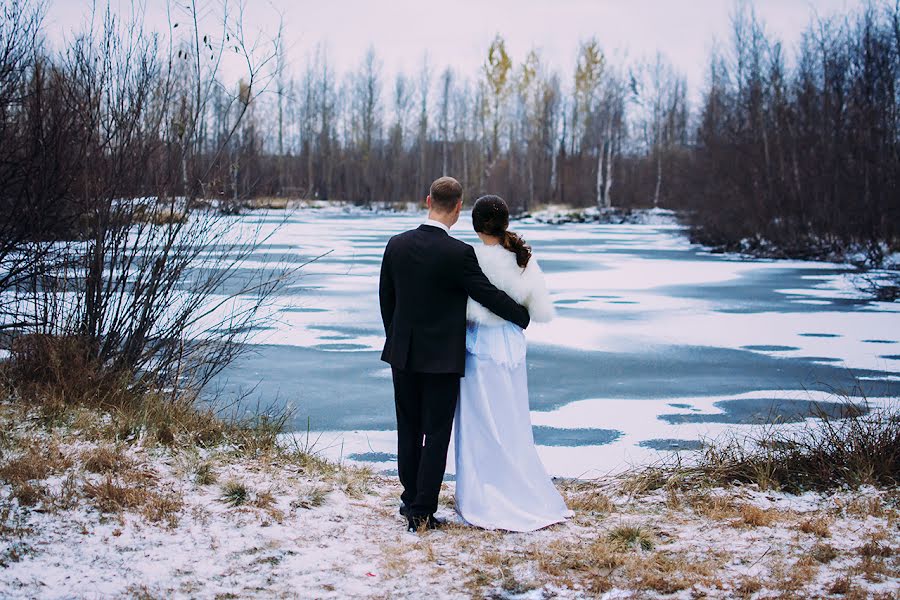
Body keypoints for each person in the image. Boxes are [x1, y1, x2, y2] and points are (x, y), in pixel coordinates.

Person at [378, 177, 530, 532]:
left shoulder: (395, 245)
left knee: (409, 430)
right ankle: (421, 511)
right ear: (459, 208)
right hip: (442, 360)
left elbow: (387, 300)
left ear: (427, 200)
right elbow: (486, 293)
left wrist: (397, 340)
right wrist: (521, 316)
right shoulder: (459, 253)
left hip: (402, 354)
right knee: (436, 434)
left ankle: (409, 498)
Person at [454, 194, 572, 532]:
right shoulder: (521, 257)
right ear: (505, 223)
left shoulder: (470, 256)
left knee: (480, 420)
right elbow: (539, 309)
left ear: (475, 225)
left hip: (480, 344)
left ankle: (482, 495)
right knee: (513, 418)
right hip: (511, 344)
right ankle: (520, 489)